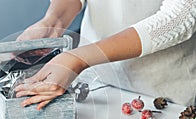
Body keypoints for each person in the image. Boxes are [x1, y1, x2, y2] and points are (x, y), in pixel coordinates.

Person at [14, 0, 196, 110]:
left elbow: (180, 18)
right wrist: (53, 23)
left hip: (162, 92)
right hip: (94, 83)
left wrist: (79, 59)